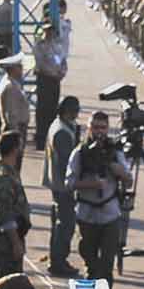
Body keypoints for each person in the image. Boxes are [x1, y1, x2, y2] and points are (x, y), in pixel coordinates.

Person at [69, 108, 132, 281]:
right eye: (95, 127)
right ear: (89, 128)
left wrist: (118, 170)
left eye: (103, 128)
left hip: (109, 216)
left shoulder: (115, 152)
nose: (99, 132)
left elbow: (129, 181)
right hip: (87, 215)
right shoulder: (80, 153)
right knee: (91, 266)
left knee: (106, 268)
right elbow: (69, 183)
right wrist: (91, 184)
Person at [43, 95, 82, 278]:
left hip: (58, 183)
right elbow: (66, 162)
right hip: (62, 185)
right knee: (65, 223)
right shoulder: (61, 132)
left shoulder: (61, 126)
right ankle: (58, 260)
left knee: (61, 221)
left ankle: (57, 258)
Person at [0, 130, 32, 277]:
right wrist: (15, 243)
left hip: (8, 238)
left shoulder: (6, 169)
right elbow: (4, 214)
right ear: (15, 149)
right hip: (6, 242)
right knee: (7, 287)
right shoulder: (3, 178)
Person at [32, 20, 69, 136]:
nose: (49, 34)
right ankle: (41, 134)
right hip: (44, 80)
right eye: (47, 31)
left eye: (51, 31)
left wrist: (62, 73)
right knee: (43, 107)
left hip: (55, 81)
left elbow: (63, 61)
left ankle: (50, 132)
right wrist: (53, 74)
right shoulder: (40, 46)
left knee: (53, 107)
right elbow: (41, 64)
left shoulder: (57, 46)